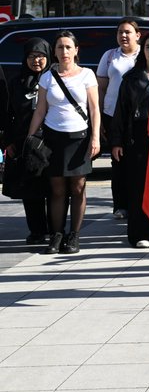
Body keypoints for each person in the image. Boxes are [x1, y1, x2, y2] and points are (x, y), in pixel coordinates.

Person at [29, 31, 101, 255]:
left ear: (76, 50)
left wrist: (96, 137)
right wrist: (30, 139)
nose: (64, 51)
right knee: (57, 189)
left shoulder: (87, 75)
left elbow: (94, 109)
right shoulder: (47, 77)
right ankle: (57, 234)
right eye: (60, 47)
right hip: (53, 137)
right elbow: (40, 110)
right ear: (55, 52)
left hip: (79, 138)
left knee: (78, 187)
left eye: (68, 47)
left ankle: (74, 235)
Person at [112, 33, 149, 248]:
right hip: (136, 136)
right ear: (142, 50)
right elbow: (121, 111)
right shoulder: (131, 78)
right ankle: (139, 233)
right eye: (148, 46)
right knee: (138, 187)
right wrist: (117, 141)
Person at [4, 39, 51, 245]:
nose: (36, 61)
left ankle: (56, 229)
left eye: (41, 56)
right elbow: (8, 114)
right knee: (30, 190)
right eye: (31, 56)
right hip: (25, 143)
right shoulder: (17, 82)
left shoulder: (55, 79)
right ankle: (37, 231)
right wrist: (8, 142)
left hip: (51, 142)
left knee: (54, 189)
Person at [97, 17, 140, 221]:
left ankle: (137, 203)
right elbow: (101, 87)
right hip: (112, 114)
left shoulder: (145, 54)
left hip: (138, 116)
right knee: (117, 161)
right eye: (120, 32)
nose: (123, 35)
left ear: (137, 35)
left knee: (137, 160)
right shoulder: (109, 56)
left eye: (128, 32)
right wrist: (100, 117)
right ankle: (120, 205)